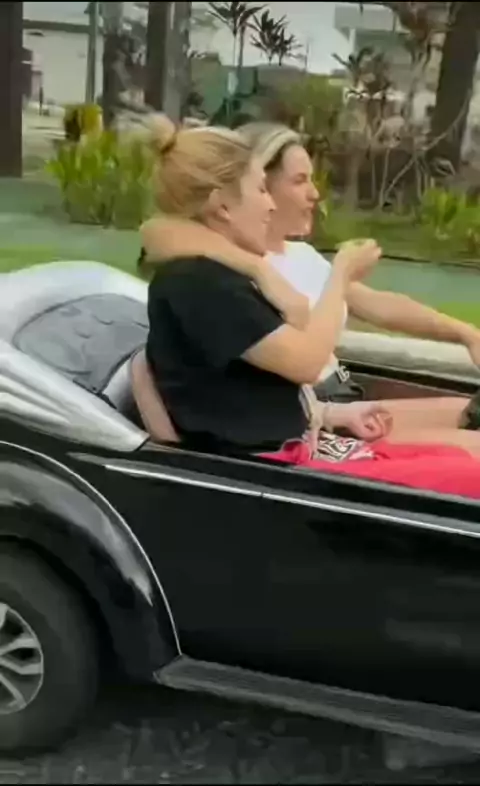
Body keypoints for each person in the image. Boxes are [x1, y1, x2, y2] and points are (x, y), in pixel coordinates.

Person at [140, 114, 480, 499]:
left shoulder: (217, 274)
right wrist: (340, 275)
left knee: (464, 452)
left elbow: (265, 383)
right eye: (261, 190)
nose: (269, 204)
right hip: (278, 475)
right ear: (222, 207)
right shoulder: (199, 283)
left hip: (301, 448)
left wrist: (328, 413)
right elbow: (306, 363)